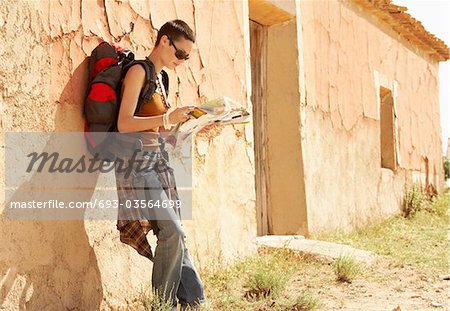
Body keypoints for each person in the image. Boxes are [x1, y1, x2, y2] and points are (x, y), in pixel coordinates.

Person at [114, 19, 206, 310]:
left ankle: (194, 302)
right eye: (181, 54)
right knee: (172, 232)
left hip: (158, 162)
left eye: (187, 57)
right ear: (164, 41)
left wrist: (197, 125)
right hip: (136, 163)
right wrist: (168, 118)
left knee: (176, 231)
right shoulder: (139, 72)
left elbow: (162, 133)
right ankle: (164, 305)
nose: (183, 61)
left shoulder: (162, 80)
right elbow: (124, 123)